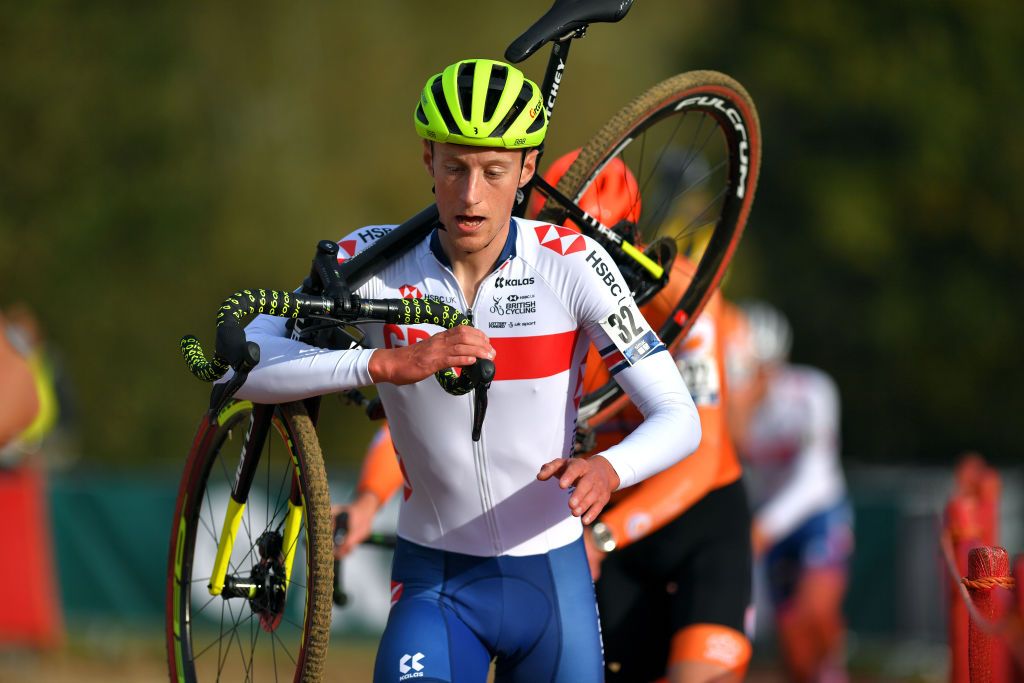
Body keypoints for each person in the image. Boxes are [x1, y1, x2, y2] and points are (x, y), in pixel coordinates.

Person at [231, 58, 701, 683]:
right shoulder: (373, 259)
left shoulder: (572, 263)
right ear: (428, 159)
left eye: (493, 171)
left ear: (527, 168)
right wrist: (384, 362)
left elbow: (680, 416)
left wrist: (610, 468)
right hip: (436, 587)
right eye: (454, 167)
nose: (471, 194)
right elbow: (239, 368)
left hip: (552, 584)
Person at [337, 149, 753, 683]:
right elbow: (441, 422)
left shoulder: (684, 300)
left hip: (692, 518)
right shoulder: (526, 282)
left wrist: (605, 534)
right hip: (595, 515)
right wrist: (371, 498)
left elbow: (703, 453)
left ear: (630, 241)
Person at [725, 301, 853, 683]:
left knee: (814, 610)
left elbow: (815, 476)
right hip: (768, 522)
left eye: (762, 369)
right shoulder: (732, 405)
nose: (756, 378)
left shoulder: (813, 391)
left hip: (818, 512)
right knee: (792, 638)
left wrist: (765, 527)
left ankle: (833, 669)